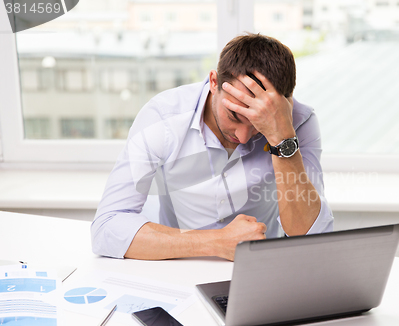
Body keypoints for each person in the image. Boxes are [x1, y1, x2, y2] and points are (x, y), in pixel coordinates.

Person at [91, 33, 334, 261]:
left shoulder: (298, 122)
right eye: (235, 116)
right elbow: (107, 228)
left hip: (260, 269)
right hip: (176, 266)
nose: (244, 136)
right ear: (214, 82)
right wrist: (216, 242)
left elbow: (311, 238)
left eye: (259, 124)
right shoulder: (164, 117)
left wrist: (281, 138)